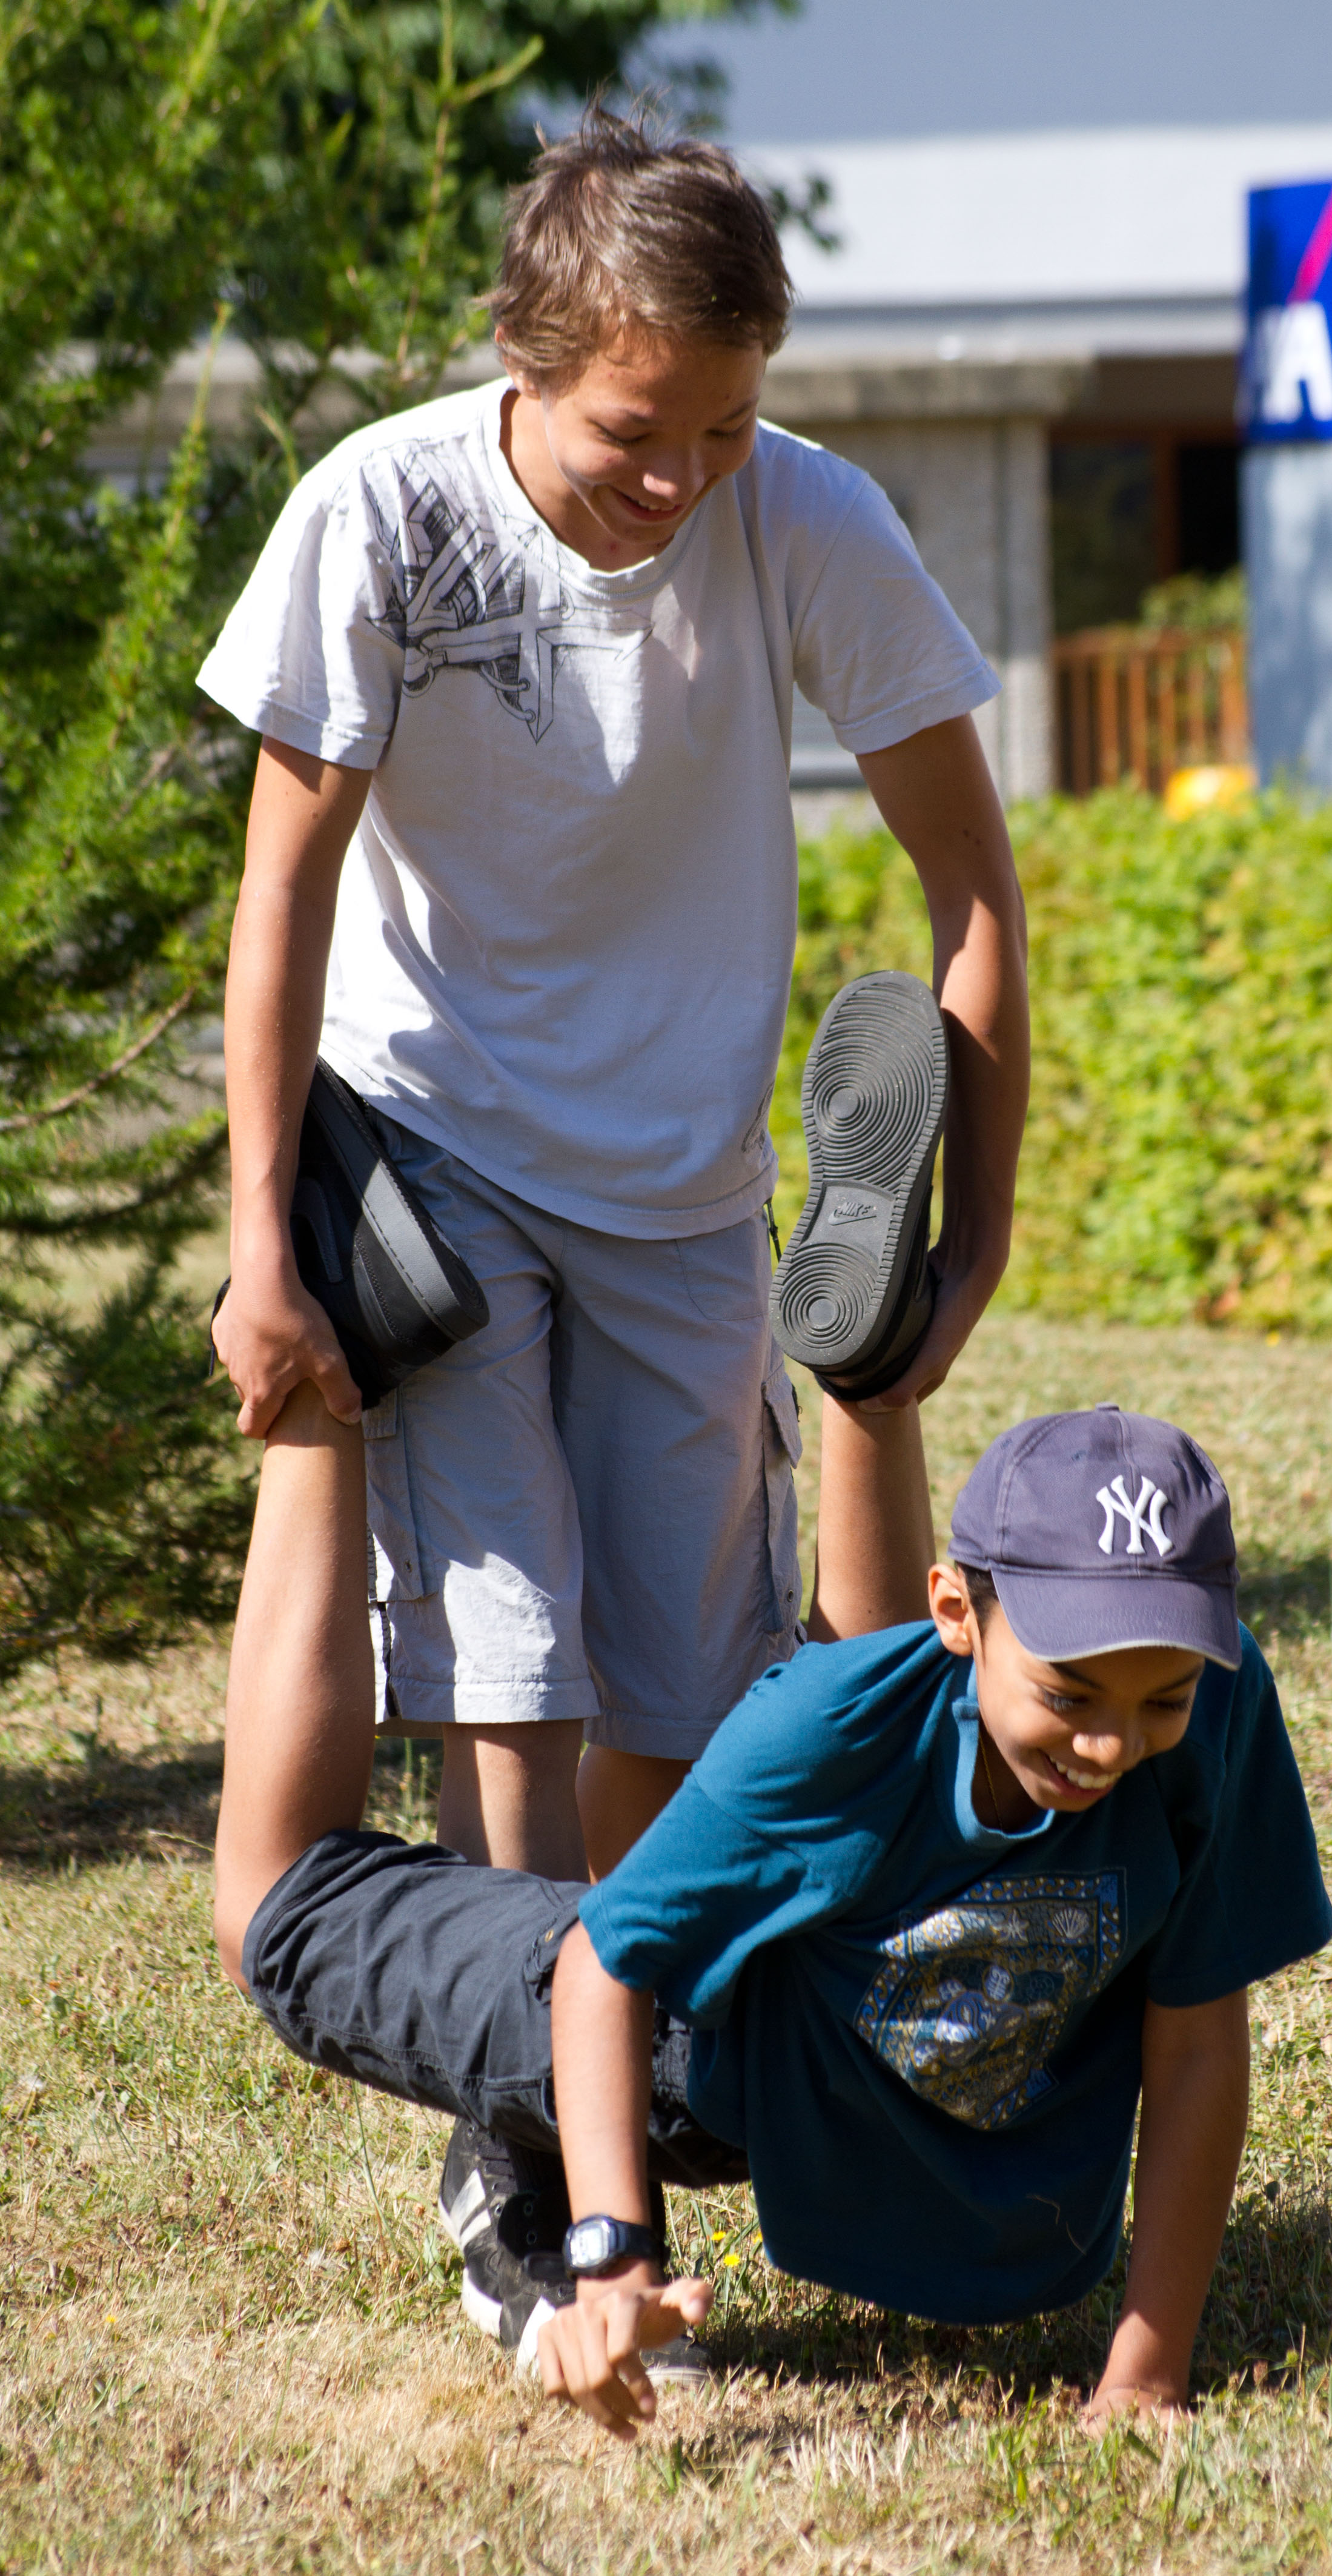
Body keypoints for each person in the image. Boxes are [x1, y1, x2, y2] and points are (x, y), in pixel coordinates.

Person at [198, 105, 1027, 2327]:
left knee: (677, 1685)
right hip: (435, 1142)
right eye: (631, 436)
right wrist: (265, 1235)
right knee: (509, 1666)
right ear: (525, 360)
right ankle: (532, 2169)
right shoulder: (380, 510)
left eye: (724, 428)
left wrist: (980, 1219)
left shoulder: (803, 514)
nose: (681, 480)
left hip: (684, 1179)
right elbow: (281, 894)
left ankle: (603, 2074)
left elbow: (970, 877)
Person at [214, 1378, 1332, 2434]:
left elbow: (1197, 2040)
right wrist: (615, 2254)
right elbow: (608, 1961)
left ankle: (523, 2143)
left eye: (1161, 1699)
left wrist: (1146, 2373)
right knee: (274, 1910)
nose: (1110, 1743)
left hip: (841, 2083)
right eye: (1067, 1693)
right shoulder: (828, 1726)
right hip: (689, 2046)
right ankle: (320, 1391)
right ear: (957, 1612)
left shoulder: (1221, 1708)